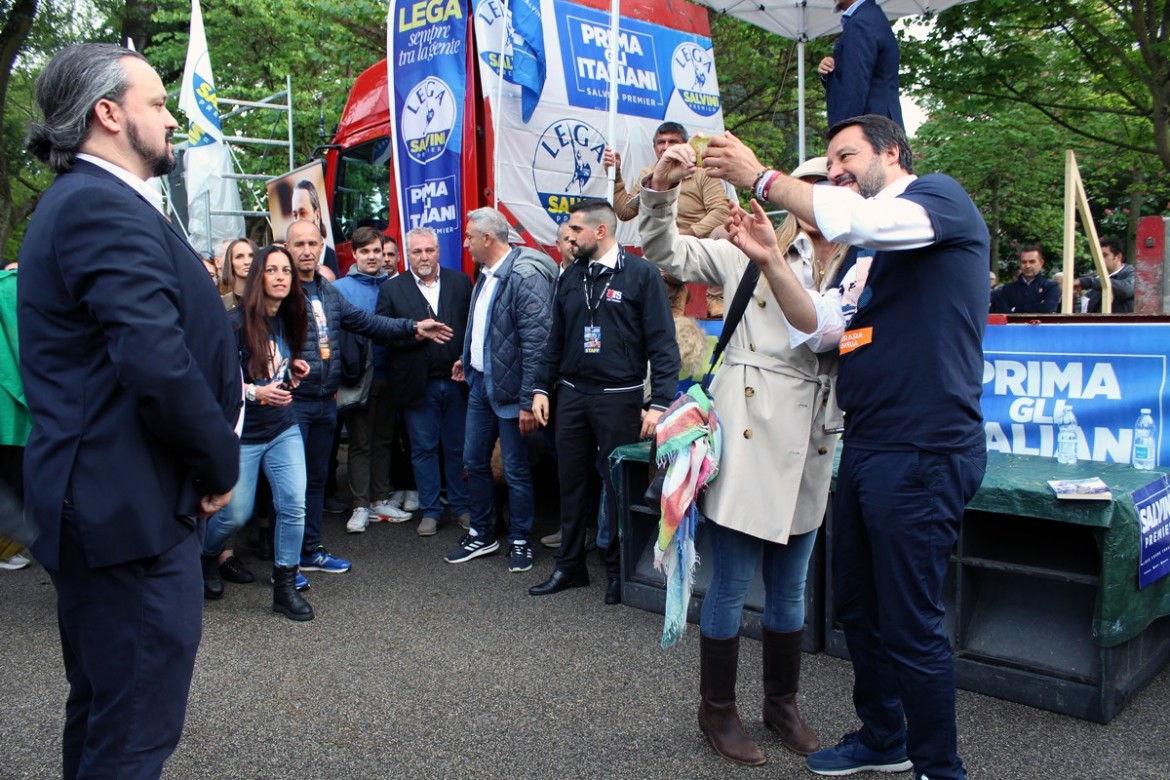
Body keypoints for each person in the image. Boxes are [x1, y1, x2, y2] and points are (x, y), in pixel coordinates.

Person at [704, 115, 988, 780]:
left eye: (846, 156)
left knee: (911, 620)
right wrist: (772, 261)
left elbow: (865, 221)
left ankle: (939, 768)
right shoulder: (864, 254)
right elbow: (822, 328)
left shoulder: (936, 200)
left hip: (925, 448)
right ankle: (884, 735)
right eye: (829, 163)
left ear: (893, 151)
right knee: (859, 606)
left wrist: (764, 179)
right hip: (866, 445)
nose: (836, 171)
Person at [17, 44, 242, 779]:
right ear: (108, 115)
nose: (170, 114)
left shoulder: (100, 201)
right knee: (133, 731)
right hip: (129, 515)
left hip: (118, 506)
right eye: (154, 102)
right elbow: (154, 360)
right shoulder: (94, 204)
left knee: (110, 710)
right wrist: (217, 461)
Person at [637, 153, 846, 764]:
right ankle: (718, 711)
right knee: (729, 586)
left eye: (830, 187)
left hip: (812, 436)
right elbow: (665, 252)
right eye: (809, 186)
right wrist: (661, 186)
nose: (818, 197)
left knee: (790, 589)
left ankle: (781, 705)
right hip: (749, 433)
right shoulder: (743, 249)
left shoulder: (859, 264)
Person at [528, 200, 680, 605]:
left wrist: (661, 400)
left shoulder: (642, 274)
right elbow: (554, 339)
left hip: (619, 397)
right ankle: (569, 565)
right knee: (571, 482)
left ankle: (617, 570)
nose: (569, 237)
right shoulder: (570, 276)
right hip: (572, 395)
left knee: (616, 488)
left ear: (600, 231)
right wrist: (541, 388)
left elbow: (663, 344)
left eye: (575, 229)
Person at [288, 219, 452, 574]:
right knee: (290, 483)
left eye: (312, 244)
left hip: (324, 399)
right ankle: (283, 562)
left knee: (315, 480)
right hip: (292, 401)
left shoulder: (328, 291)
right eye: (298, 244)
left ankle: (310, 551)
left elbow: (370, 323)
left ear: (322, 248)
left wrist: (412, 326)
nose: (306, 251)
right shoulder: (282, 290)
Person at [201, 245, 316, 620]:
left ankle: (285, 586)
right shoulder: (234, 323)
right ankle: (206, 557)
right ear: (257, 279)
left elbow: (276, 362)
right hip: (243, 434)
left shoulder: (288, 316)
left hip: (282, 427)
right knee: (236, 513)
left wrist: (292, 370)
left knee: (293, 503)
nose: (282, 276)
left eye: (286, 270)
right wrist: (254, 391)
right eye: (272, 270)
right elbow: (214, 382)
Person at [446, 208, 556, 572]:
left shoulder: (524, 277)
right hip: (480, 383)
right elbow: (484, 327)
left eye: (469, 237)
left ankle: (521, 539)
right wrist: (468, 357)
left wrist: (528, 401)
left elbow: (536, 345)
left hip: (512, 394)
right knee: (474, 460)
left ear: (488, 239)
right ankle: (483, 532)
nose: (465, 243)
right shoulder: (488, 273)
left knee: (515, 468)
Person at [376, 227, 473, 537]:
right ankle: (430, 511)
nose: (424, 257)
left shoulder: (461, 283)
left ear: (438, 251)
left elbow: (473, 328)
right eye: (417, 251)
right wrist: (414, 334)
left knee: (457, 448)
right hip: (417, 385)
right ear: (408, 255)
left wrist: (466, 359)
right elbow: (384, 335)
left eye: (429, 250)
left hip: (456, 382)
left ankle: (460, 506)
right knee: (423, 449)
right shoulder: (392, 290)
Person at [333, 227, 412, 532]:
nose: (371, 257)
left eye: (376, 251)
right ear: (354, 254)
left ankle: (380, 501)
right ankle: (360, 506)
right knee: (360, 444)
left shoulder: (395, 286)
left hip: (390, 376)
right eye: (364, 251)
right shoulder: (339, 288)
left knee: (383, 441)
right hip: (356, 379)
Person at [604, 121, 730, 238]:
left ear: (685, 145)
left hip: (696, 243)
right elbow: (625, 212)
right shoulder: (647, 174)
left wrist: (686, 236)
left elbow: (721, 211)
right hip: (659, 245)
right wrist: (615, 174)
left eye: (672, 141)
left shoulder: (702, 171)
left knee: (724, 233)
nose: (666, 147)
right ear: (654, 147)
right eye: (661, 142)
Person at [817, 0, 904, 129]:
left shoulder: (860, 22)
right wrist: (829, 73)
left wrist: (841, 135)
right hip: (879, 127)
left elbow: (854, 89)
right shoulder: (870, 16)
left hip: (870, 130)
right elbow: (861, 77)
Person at [990, 244, 1059, 314]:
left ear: (1041, 263)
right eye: (1024, 262)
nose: (1027, 266)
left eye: (1032, 262)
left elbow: (1047, 309)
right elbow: (1002, 312)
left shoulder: (1050, 287)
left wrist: (1015, 309)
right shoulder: (1007, 289)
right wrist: (1038, 306)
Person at [292, 179, 339, 277]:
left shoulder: (334, 257)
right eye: (295, 215)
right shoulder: (289, 261)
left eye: (303, 213)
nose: (298, 221)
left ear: (317, 216)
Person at [1080, 237, 1135, 313]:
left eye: (1104, 255)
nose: (1100, 260)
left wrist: (1087, 282)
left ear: (1118, 257)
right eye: (1098, 256)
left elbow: (1127, 289)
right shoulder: (1096, 281)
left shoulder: (1133, 274)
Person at [220, 237, 257, 310]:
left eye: (251, 256)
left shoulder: (267, 300)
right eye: (239, 257)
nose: (247, 262)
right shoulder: (222, 303)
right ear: (231, 262)